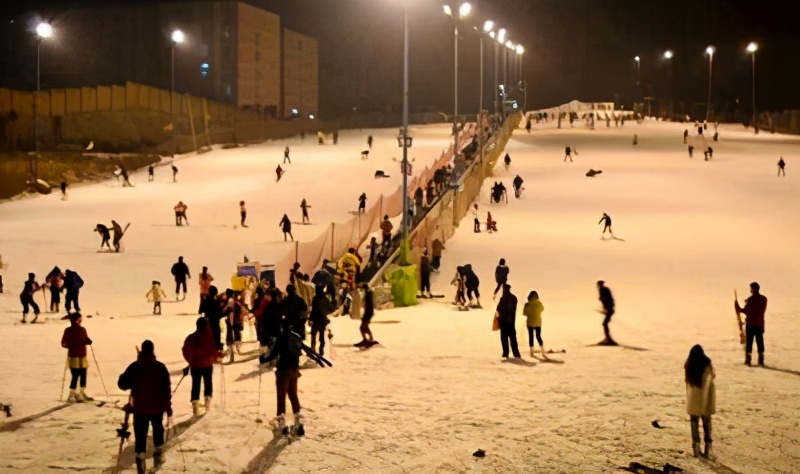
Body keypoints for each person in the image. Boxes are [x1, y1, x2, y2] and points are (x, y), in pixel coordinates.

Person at [117, 340, 173, 473]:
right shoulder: (160, 367)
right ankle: (158, 453)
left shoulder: (135, 366)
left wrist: (123, 377)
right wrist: (168, 406)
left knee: (141, 433)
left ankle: (140, 458)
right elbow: (166, 388)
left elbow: (122, 384)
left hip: (140, 408)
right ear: (153, 350)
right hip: (157, 407)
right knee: (158, 429)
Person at [263, 325, 305, 436]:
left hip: (283, 370)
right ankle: (298, 423)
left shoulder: (281, 338)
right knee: (293, 395)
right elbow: (300, 353)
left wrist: (263, 358)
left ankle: (281, 425)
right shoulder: (296, 337)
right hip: (294, 370)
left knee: (281, 396)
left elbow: (273, 354)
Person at [182, 317, 220, 416]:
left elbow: (185, 350)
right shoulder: (209, 338)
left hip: (195, 365)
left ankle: (195, 404)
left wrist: (190, 360)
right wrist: (216, 358)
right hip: (207, 365)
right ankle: (207, 402)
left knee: (195, 384)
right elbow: (213, 351)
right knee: (208, 383)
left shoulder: (190, 337)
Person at [685, 344, 716, 458]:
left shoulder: (689, 365)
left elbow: (687, 382)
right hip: (706, 400)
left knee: (694, 423)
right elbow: (713, 376)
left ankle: (696, 447)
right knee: (707, 423)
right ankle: (708, 447)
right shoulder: (707, 364)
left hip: (694, 401)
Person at [61, 312, 93, 402]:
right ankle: (72, 394)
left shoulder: (83, 329)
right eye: (79, 319)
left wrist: (87, 341)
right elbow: (64, 343)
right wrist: (73, 344)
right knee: (75, 375)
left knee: (83, 374)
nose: (80, 320)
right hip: (74, 355)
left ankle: (81, 392)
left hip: (82, 355)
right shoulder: (68, 330)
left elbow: (85, 339)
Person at [735, 282, 767, 366]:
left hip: (751, 324)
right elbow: (758, 308)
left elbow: (745, 311)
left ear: (753, 289)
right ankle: (761, 360)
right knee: (760, 341)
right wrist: (748, 303)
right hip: (760, 324)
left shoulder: (751, 300)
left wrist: (737, 306)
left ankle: (748, 360)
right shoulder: (764, 299)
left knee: (749, 342)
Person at [495, 284, 521, 359]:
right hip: (511, 321)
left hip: (504, 322)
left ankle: (505, 353)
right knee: (513, 338)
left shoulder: (503, 298)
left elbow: (498, 308)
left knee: (504, 338)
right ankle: (516, 353)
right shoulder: (514, 298)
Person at [309, 285, 333, 356]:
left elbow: (313, 310)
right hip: (323, 319)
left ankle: (313, 348)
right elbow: (330, 308)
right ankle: (321, 349)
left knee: (313, 334)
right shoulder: (325, 299)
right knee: (321, 335)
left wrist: (310, 318)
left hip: (316, 319)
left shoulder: (315, 299)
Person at [524, 290, 545, 357]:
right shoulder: (539, 303)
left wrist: (530, 313)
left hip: (530, 322)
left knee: (531, 337)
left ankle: (531, 351)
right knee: (538, 336)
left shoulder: (527, 304)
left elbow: (524, 313)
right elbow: (542, 309)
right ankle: (542, 350)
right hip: (538, 322)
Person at [597, 280, 616, 345]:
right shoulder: (605, 290)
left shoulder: (603, 290)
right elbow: (609, 299)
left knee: (604, 324)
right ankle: (608, 338)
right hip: (610, 309)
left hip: (609, 309)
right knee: (605, 323)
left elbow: (606, 299)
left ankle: (608, 339)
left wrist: (608, 308)